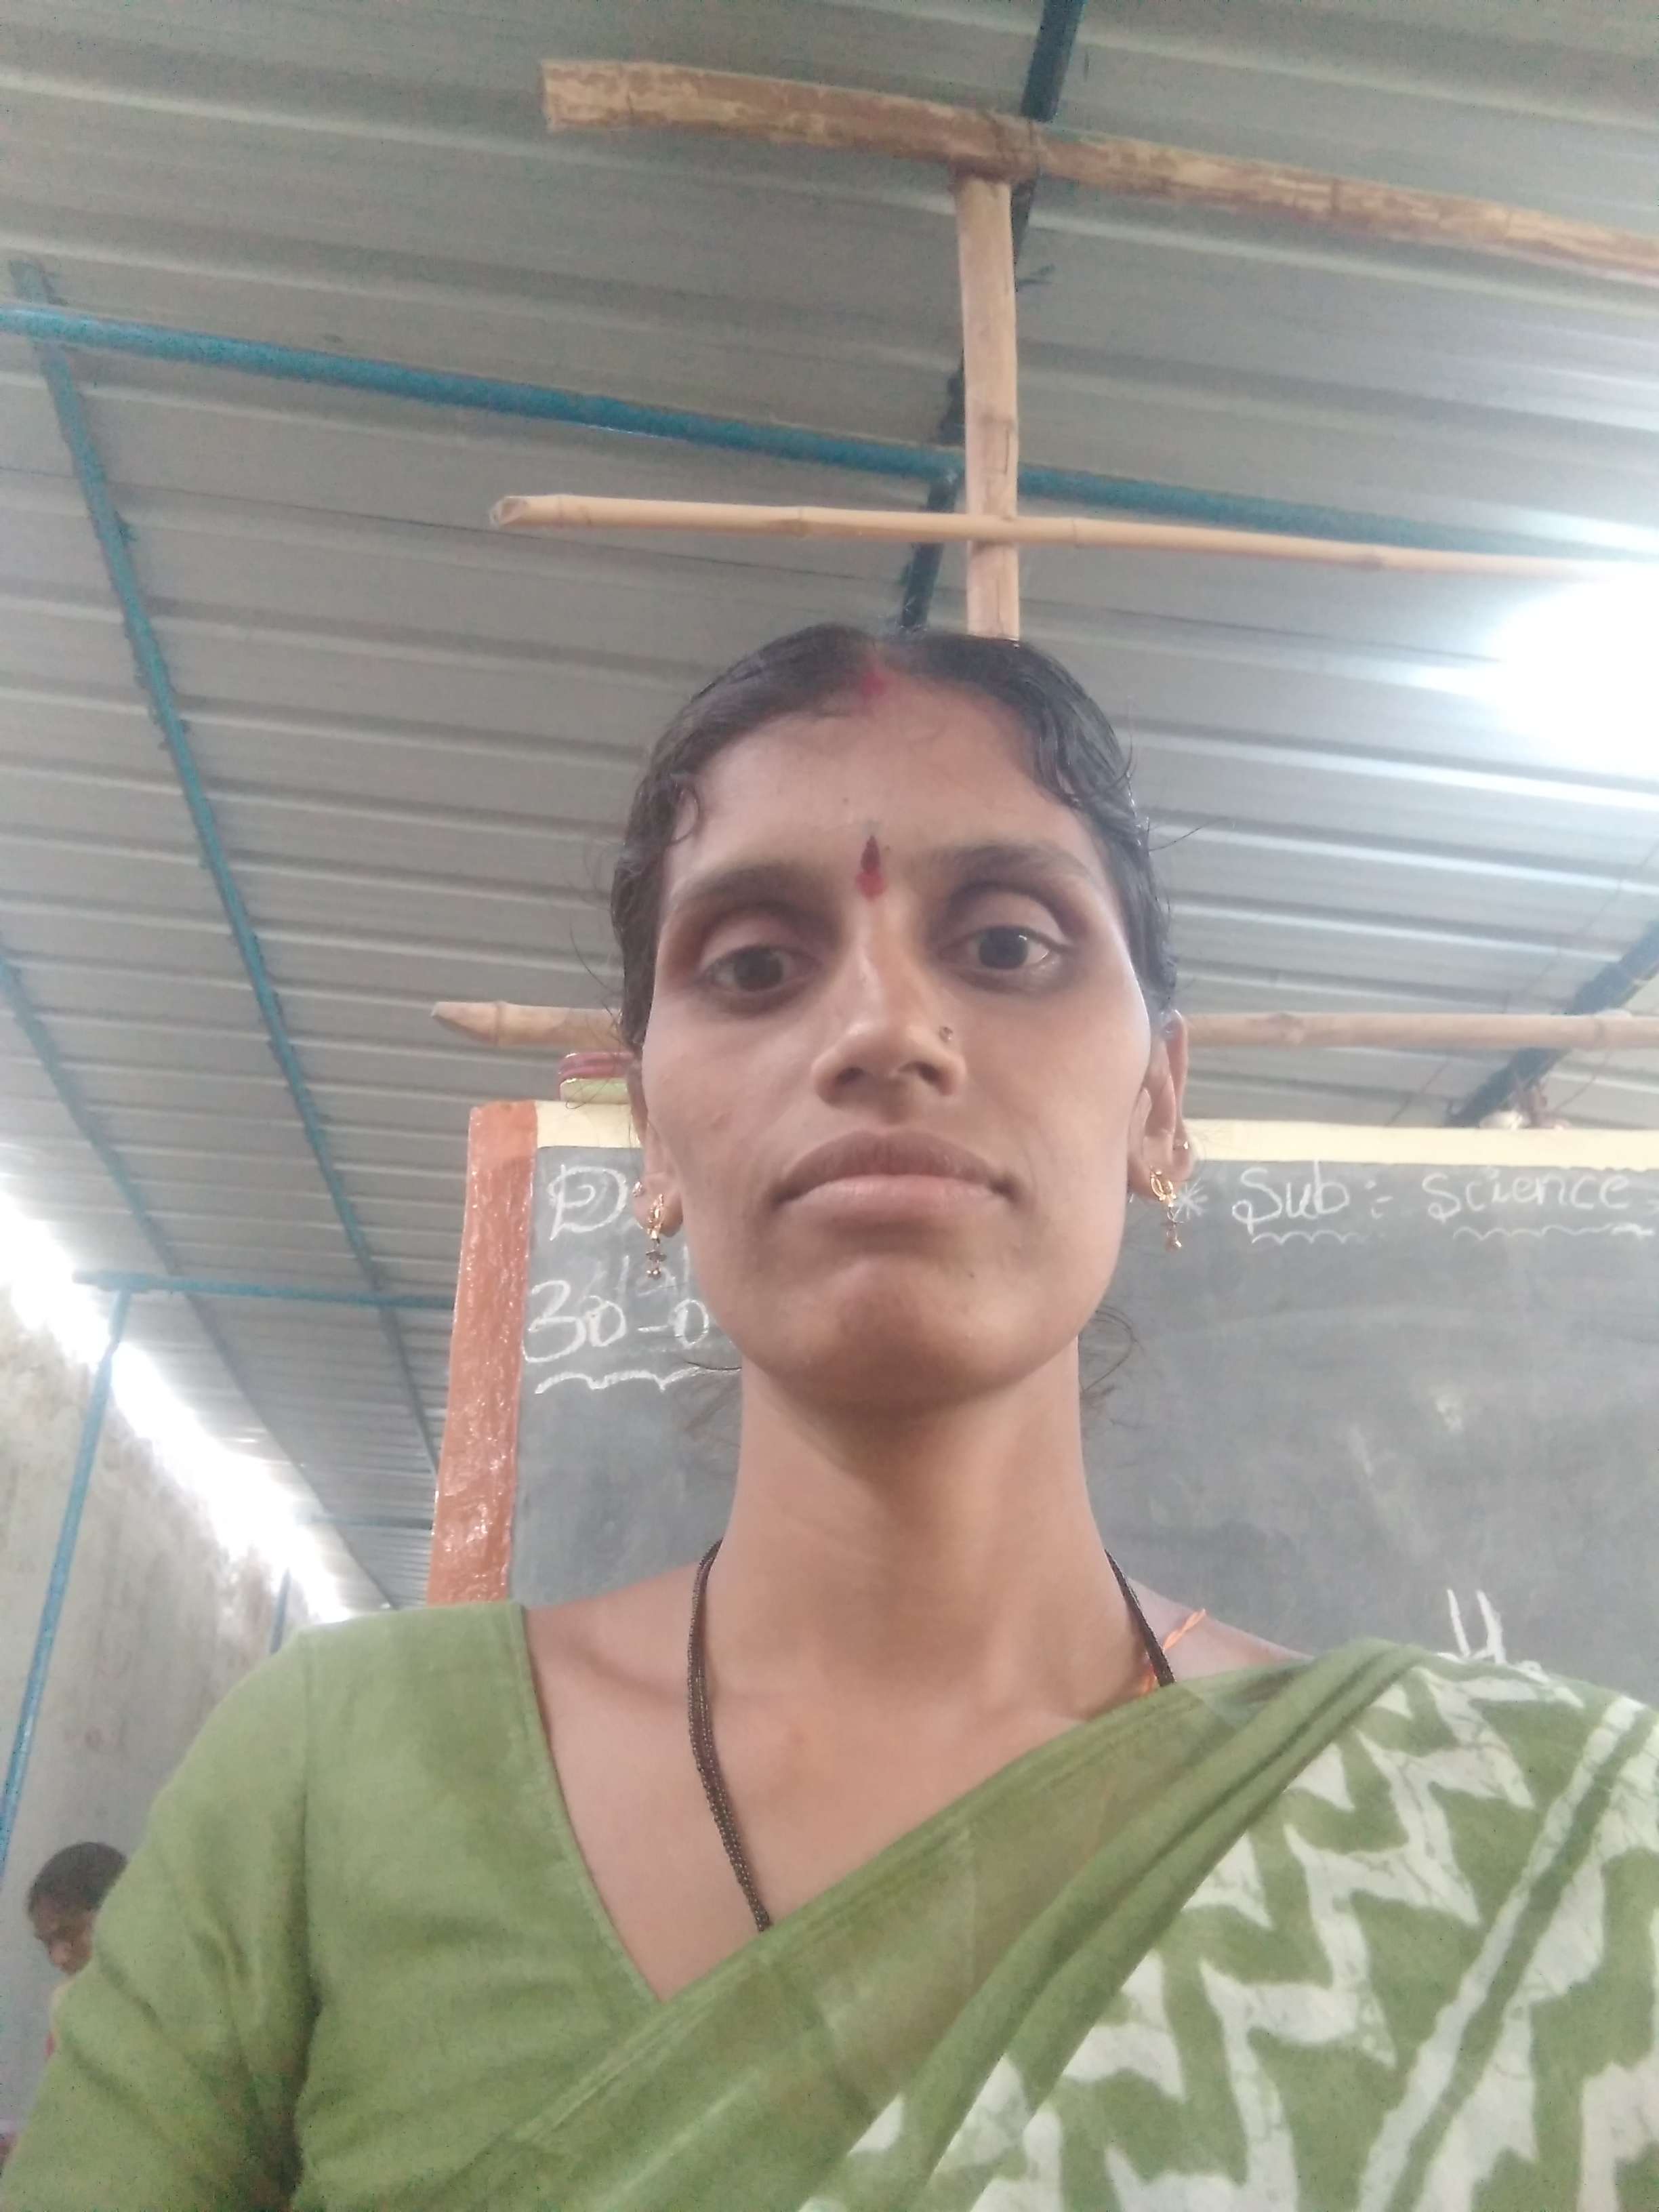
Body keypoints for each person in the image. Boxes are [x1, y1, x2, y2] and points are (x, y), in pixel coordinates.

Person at [5, 625, 1656, 2211]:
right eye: (752, 966)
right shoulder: (329, 1779)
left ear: (1159, 1101)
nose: (879, 1030)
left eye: (1006, 945)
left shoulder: (1518, 1847)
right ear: (652, 1133)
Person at [22, 1843, 127, 2056]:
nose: (58, 1958)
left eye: (69, 1935)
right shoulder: (67, 2010)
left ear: (117, 1912)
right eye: (47, 1944)